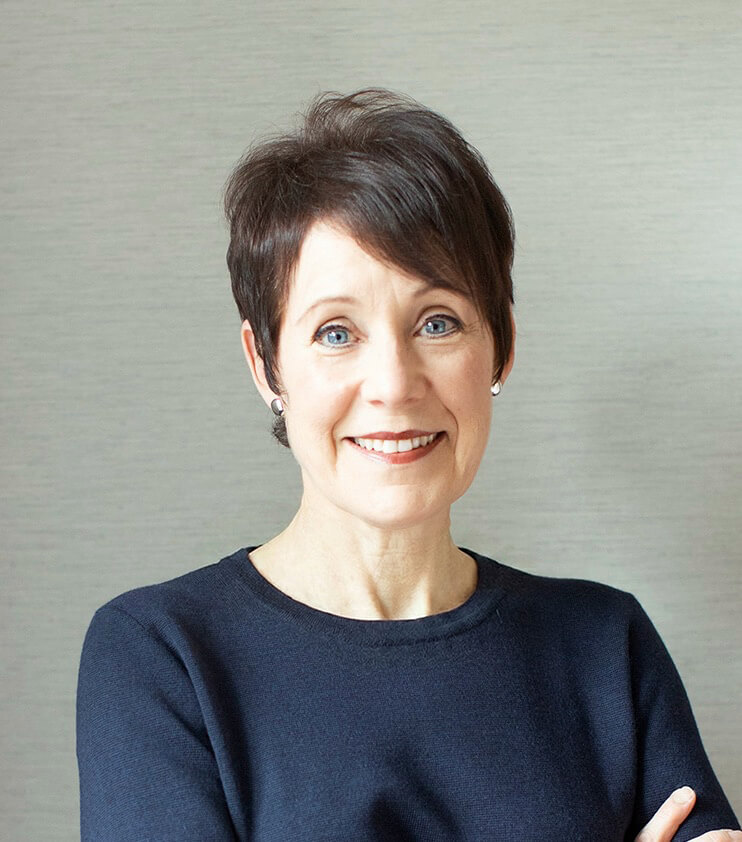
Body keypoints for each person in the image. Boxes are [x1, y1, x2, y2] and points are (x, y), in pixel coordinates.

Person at [76, 88, 740, 841]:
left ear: (503, 345)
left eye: (436, 322)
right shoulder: (162, 657)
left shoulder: (604, 644)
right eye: (335, 333)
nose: (394, 384)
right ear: (266, 366)